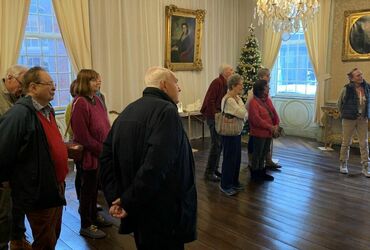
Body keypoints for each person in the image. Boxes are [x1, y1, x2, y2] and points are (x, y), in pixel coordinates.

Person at [100, 66, 197, 250]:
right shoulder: (167, 112)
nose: (179, 88)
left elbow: (105, 157)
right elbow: (155, 165)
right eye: (176, 82)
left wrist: (117, 197)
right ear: (164, 85)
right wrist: (128, 199)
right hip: (163, 211)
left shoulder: (129, 109)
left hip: (139, 209)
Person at [0, 66, 68, 249]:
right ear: (33, 87)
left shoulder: (48, 109)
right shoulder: (18, 114)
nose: (54, 88)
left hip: (56, 184)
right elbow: (4, 150)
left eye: (53, 84)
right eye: (49, 84)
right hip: (38, 188)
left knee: (53, 234)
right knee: (45, 239)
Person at [70, 69, 112, 239]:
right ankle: (86, 224)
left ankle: (94, 216)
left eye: (99, 79)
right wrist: (101, 149)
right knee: (87, 190)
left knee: (95, 189)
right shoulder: (80, 102)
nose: (98, 82)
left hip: (99, 153)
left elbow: (104, 124)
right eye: (94, 80)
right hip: (90, 155)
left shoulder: (97, 99)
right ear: (84, 82)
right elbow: (82, 136)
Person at [0, 65, 31, 250]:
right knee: (3, 211)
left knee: (19, 204)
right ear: (10, 78)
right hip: (3, 163)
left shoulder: (20, 97)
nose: (24, 88)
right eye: (22, 83)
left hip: (20, 164)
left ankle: (18, 238)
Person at [201, 64, 234, 182]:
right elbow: (210, 100)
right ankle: (209, 173)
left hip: (216, 116)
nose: (233, 71)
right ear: (225, 72)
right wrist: (216, 116)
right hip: (213, 117)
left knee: (219, 144)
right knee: (216, 145)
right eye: (231, 70)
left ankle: (214, 170)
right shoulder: (217, 82)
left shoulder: (224, 83)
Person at [246, 68, 281, 169]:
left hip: (268, 129)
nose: (269, 77)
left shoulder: (266, 95)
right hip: (259, 129)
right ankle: (254, 170)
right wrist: (270, 126)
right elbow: (253, 114)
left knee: (264, 150)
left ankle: (263, 168)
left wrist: (276, 123)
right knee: (257, 152)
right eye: (268, 75)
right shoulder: (254, 96)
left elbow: (273, 111)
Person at [338, 68, 370, 176]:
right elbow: (339, 103)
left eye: (361, 74)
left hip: (363, 119)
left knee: (364, 143)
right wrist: (344, 114)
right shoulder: (346, 89)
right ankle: (343, 163)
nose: (361, 76)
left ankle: (365, 166)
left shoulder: (367, 87)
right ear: (352, 78)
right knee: (346, 142)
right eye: (358, 75)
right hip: (348, 119)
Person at [219, 74, 248, 196]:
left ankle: (234, 182)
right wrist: (243, 113)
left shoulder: (237, 98)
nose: (242, 86)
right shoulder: (230, 99)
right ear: (233, 86)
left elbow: (244, 112)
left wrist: (243, 112)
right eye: (240, 84)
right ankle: (225, 185)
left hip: (236, 132)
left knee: (236, 159)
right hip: (229, 133)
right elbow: (242, 113)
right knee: (229, 159)